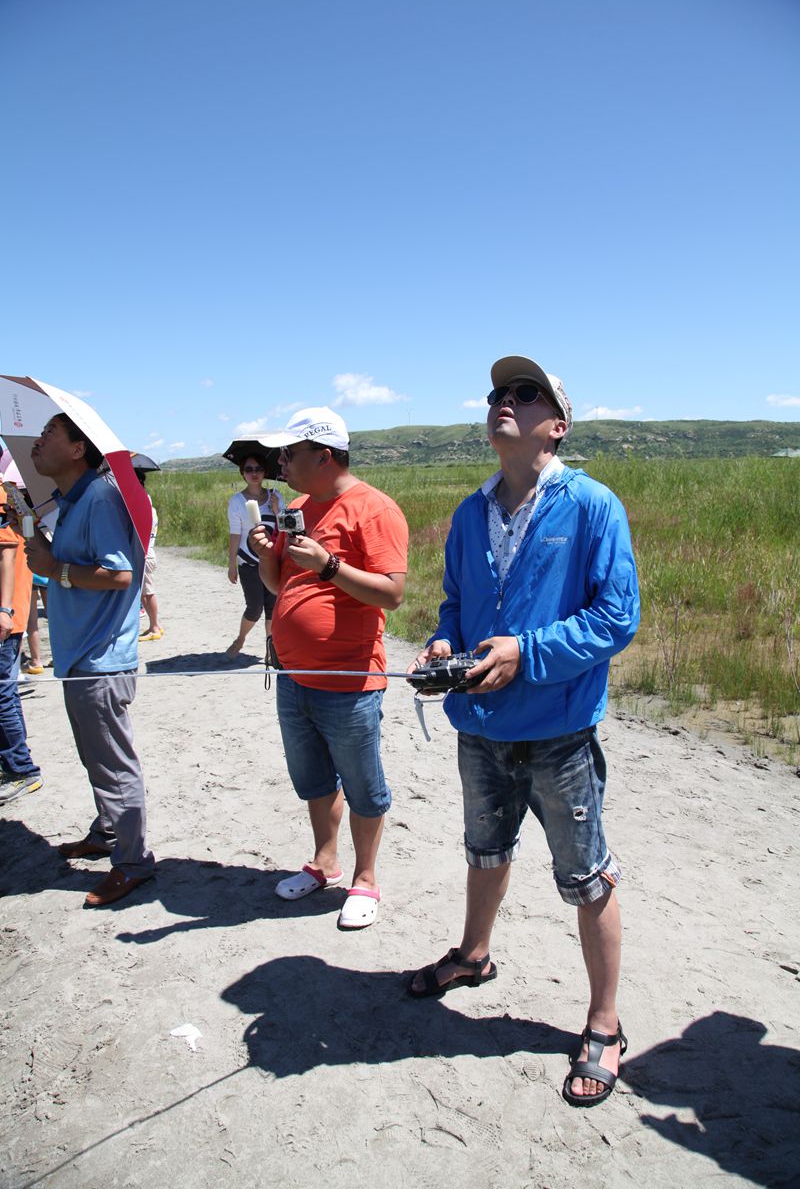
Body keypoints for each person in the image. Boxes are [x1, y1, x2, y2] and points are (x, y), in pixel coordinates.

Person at [406, 355, 639, 1107]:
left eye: (524, 393)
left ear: (557, 426)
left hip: (560, 732)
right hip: (479, 726)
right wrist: (446, 644)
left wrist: (528, 653)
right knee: (484, 849)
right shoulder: (470, 513)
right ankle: (474, 955)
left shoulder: (594, 506)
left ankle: (604, 1021)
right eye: (498, 394)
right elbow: (454, 605)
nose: (504, 401)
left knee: (584, 874)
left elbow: (615, 617)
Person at [249, 407, 408, 930]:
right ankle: (325, 862)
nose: (281, 462)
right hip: (294, 677)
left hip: (349, 681)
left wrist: (328, 564)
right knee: (314, 778)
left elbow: (392, 593)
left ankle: (365, 878)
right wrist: (264, 555)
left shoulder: (374, 509)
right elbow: (281, 588)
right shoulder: (296, 506)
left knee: (363, 784)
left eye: (289, 454)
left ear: (324, 455)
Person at [22, 413, 156, 907]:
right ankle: (106, 835)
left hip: (101, 660)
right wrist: (47, 552)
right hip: (82, 655)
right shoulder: (71, 500)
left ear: (79, 449)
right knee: (95, 756)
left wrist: (55, 567)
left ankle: (134, 863)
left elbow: (119, 575)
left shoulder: (99, 497)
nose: (37, 444)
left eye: (47, 435)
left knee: (114, 764)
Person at [0, 485, 43, 803]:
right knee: (6, 692)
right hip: (12, 610)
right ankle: (15, 765)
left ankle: (21, 768)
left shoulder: (6, 496)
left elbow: (9, 549)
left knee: (2, 694)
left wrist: (4, 610)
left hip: (6, 613)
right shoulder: (11, 494)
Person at [226, 455, 284, 659]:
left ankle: (270, 648)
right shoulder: (236, 501)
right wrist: (232, 564)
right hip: (248, 562)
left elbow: (285, 529)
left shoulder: (275, 496)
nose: (254, 473)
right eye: (249, 469)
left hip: (272, 561)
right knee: (254, 607)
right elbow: (235, 534)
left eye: (258, 468)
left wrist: (277, 510)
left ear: (264, 472)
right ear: (242, 473)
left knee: (272, 608)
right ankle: (241, 638)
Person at [136, 468, 162, 641]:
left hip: (146, 554)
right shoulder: (147, 502)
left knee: (148, 591)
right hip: (147, 553)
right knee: (144, 592)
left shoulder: (142, 504)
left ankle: (154, 626)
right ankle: (155, 625)